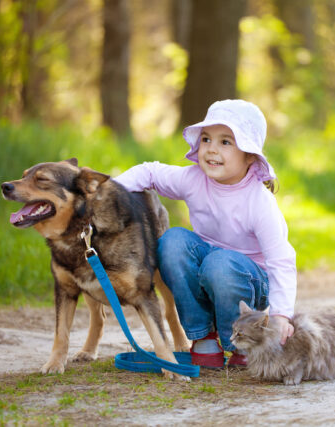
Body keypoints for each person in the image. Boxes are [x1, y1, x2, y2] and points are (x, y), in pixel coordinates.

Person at [114, 99, 296, 368]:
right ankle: (203, 337)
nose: (211, 149)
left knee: (220, 263)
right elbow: (149, 172)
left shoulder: (258, 201)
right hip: (208, 272)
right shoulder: (194, 179)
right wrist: (110, 191)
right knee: (172, 241)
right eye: (207, 139)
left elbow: (281, 260)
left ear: (249, 155)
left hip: (250, 283)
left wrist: (281, 315)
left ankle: (240, 343)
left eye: (226, 142)